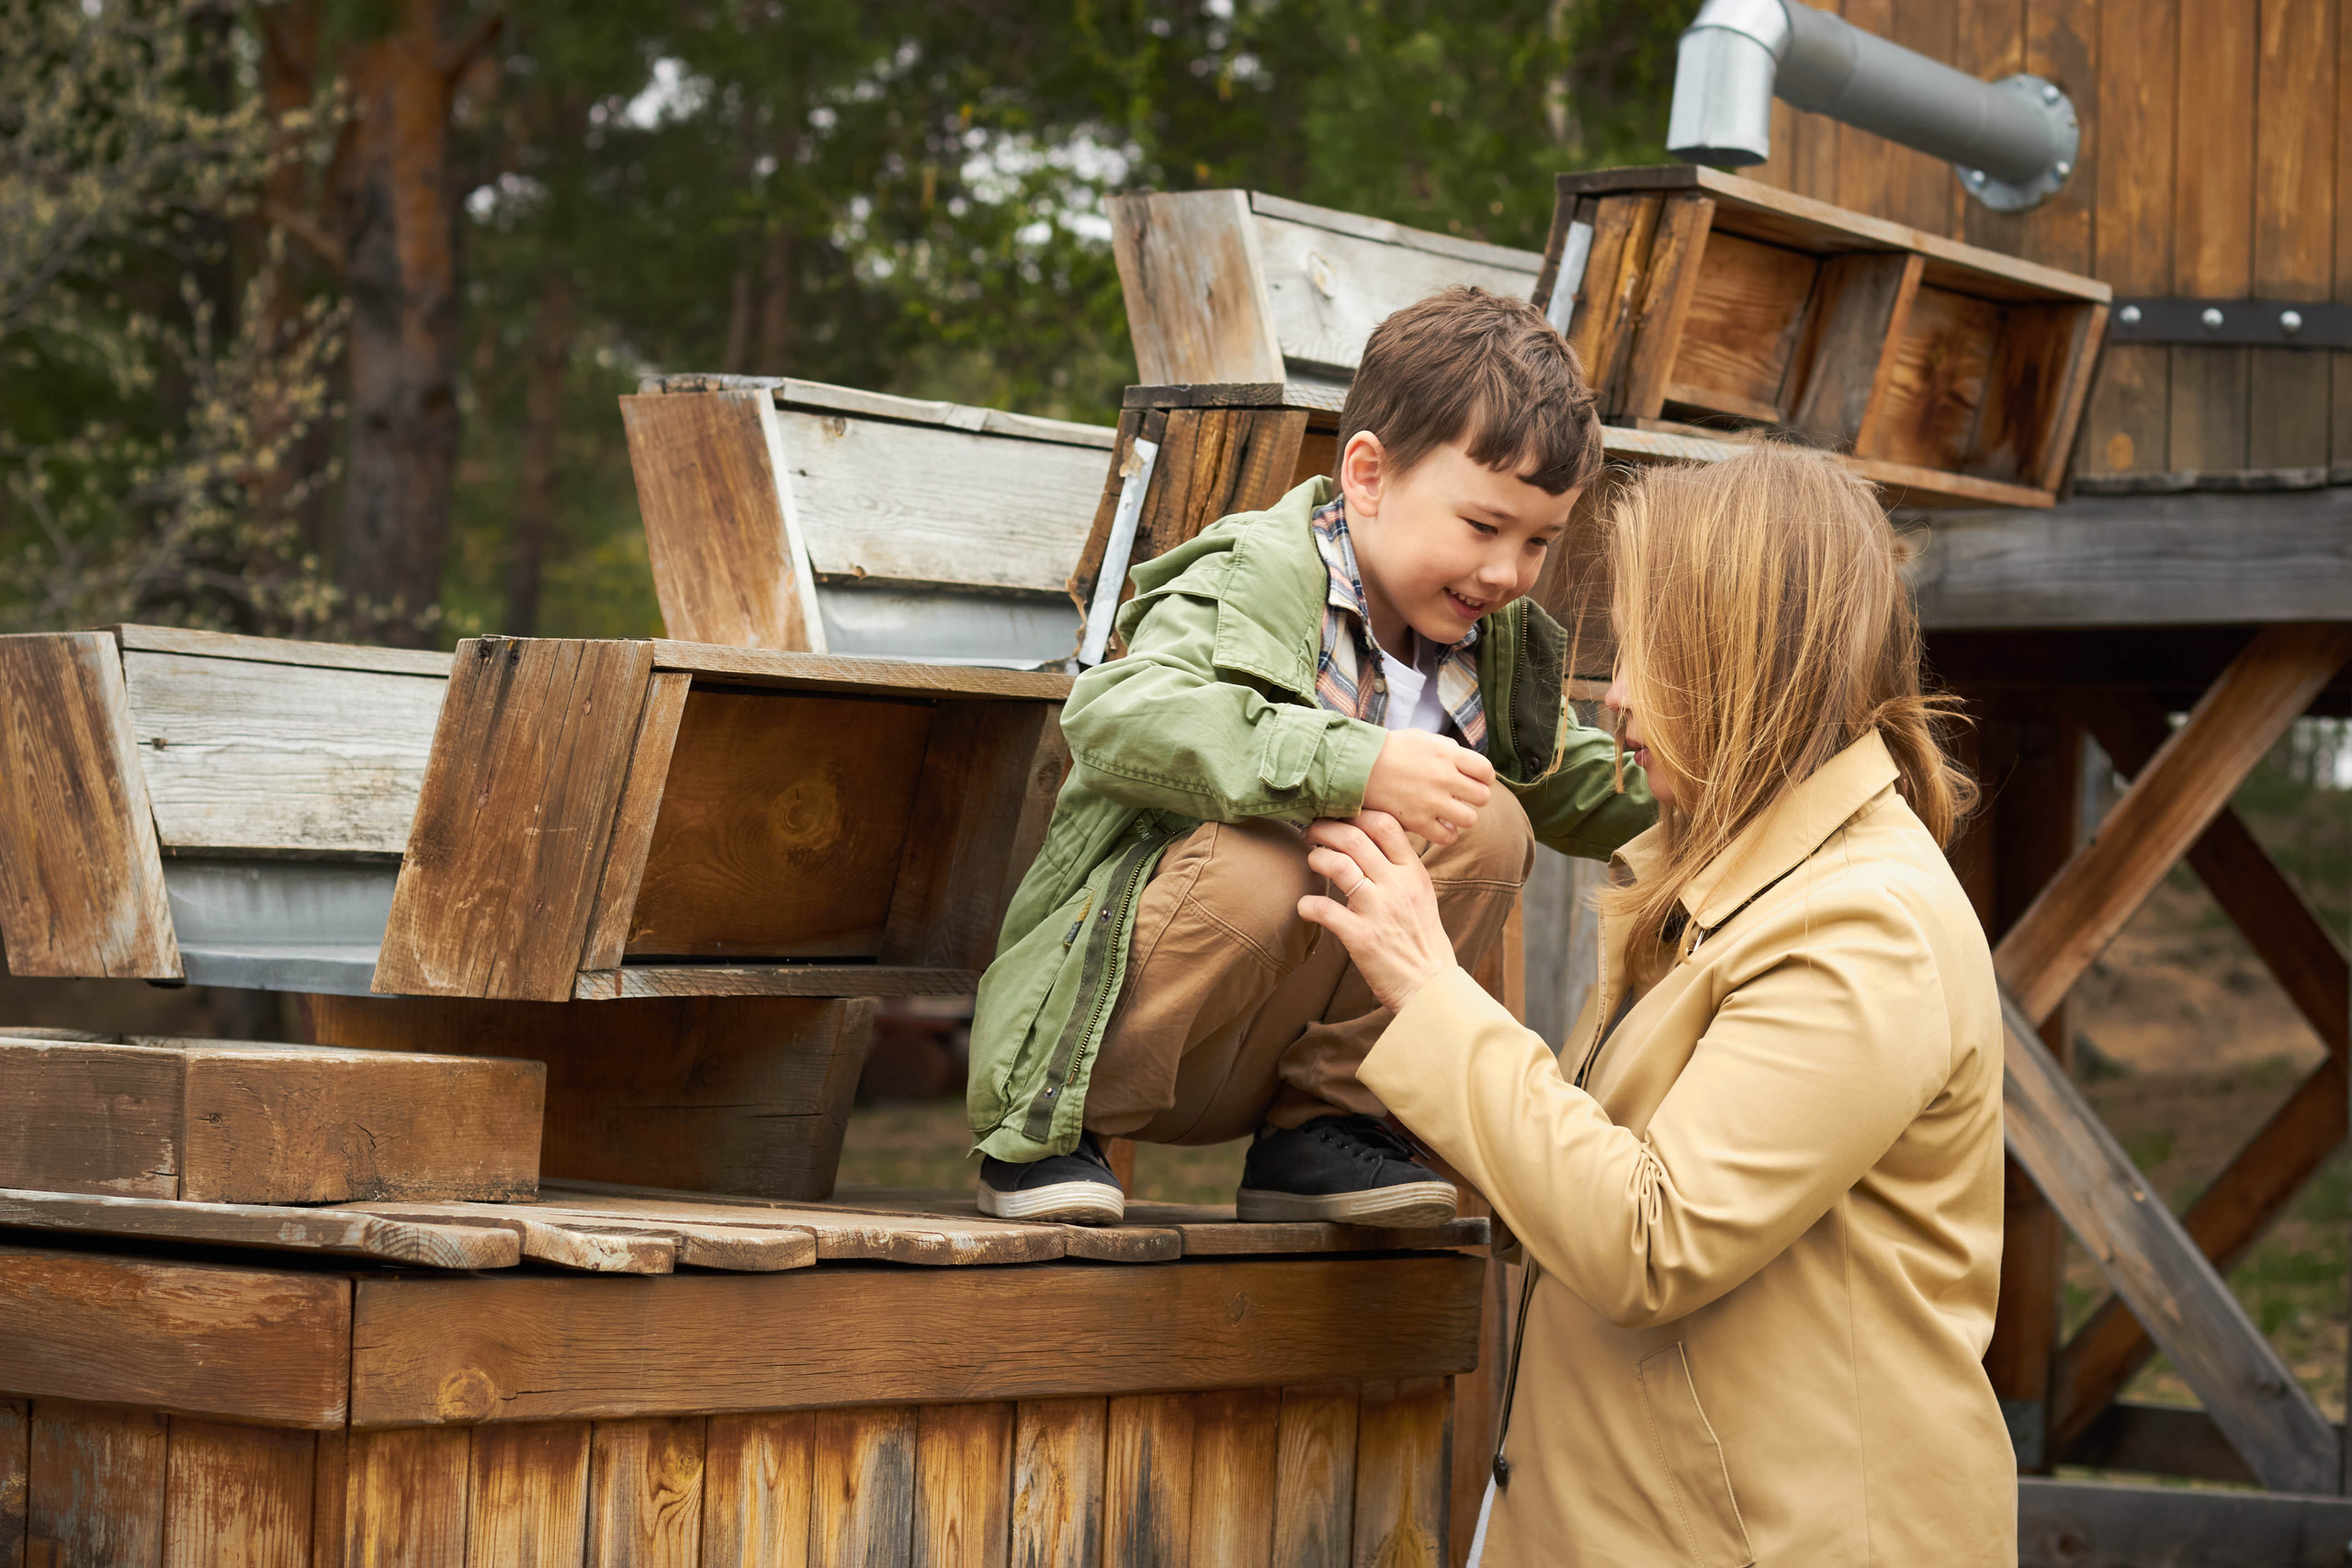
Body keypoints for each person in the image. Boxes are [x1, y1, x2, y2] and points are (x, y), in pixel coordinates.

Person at [1300, 442, 2014, 1565]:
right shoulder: (1740, 879)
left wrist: (1428, 987)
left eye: (1650, 649)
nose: (1616, 693)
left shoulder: (1864, 924)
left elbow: (1649, 1237)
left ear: (1746, 657)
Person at [966, 286, 1655, 1226]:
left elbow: (1568, 780)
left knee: (1487, 818)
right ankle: (1043, 1136)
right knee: (1263, 856)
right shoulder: (1250, 577)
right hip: (1111, 1040)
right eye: (1483, 527)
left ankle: (1322, 1131)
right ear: (1366, 476)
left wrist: (1718, 790)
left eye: (1538, 541)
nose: (1506, 572)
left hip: (1262, 1052)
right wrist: (1354, 762)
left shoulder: (1479, 651)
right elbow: (1119, 715)